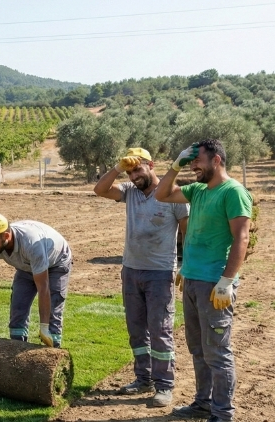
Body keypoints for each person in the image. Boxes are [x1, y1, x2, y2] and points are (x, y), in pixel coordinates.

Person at [155, 139, 252, 422]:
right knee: (198, 349)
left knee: (218, 353)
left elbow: (241, 238)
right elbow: (161, 194)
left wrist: (227, 281)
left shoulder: (233, 192)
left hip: (215, 286)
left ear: (217, 160)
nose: (193, 166)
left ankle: (223, 413)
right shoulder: (197, 191)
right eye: (191, 161)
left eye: (198, 161)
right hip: (193, 281)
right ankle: (203, 403)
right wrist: (175, 165)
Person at [93, 147, 189, 408]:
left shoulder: (172, 195)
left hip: (160, 273)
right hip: (131, 270)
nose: (134, 175)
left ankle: (164, 385)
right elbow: (99, 190)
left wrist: (185, 264)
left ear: (151, 165)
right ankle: (143, 378)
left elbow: (186, 234)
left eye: (138, 169)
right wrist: (116, 168)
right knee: (136, 330)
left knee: (160, 330)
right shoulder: (129, 192)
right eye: (130, 170)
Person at [0, 214, 72, 348]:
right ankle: (16, 351)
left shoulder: (31, 244)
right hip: (26, 265)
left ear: (6, 236)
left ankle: (53, 350)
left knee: (53, 309)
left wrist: (44, 326)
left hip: (56, 263)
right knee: (18, 307)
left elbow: (43, 287)